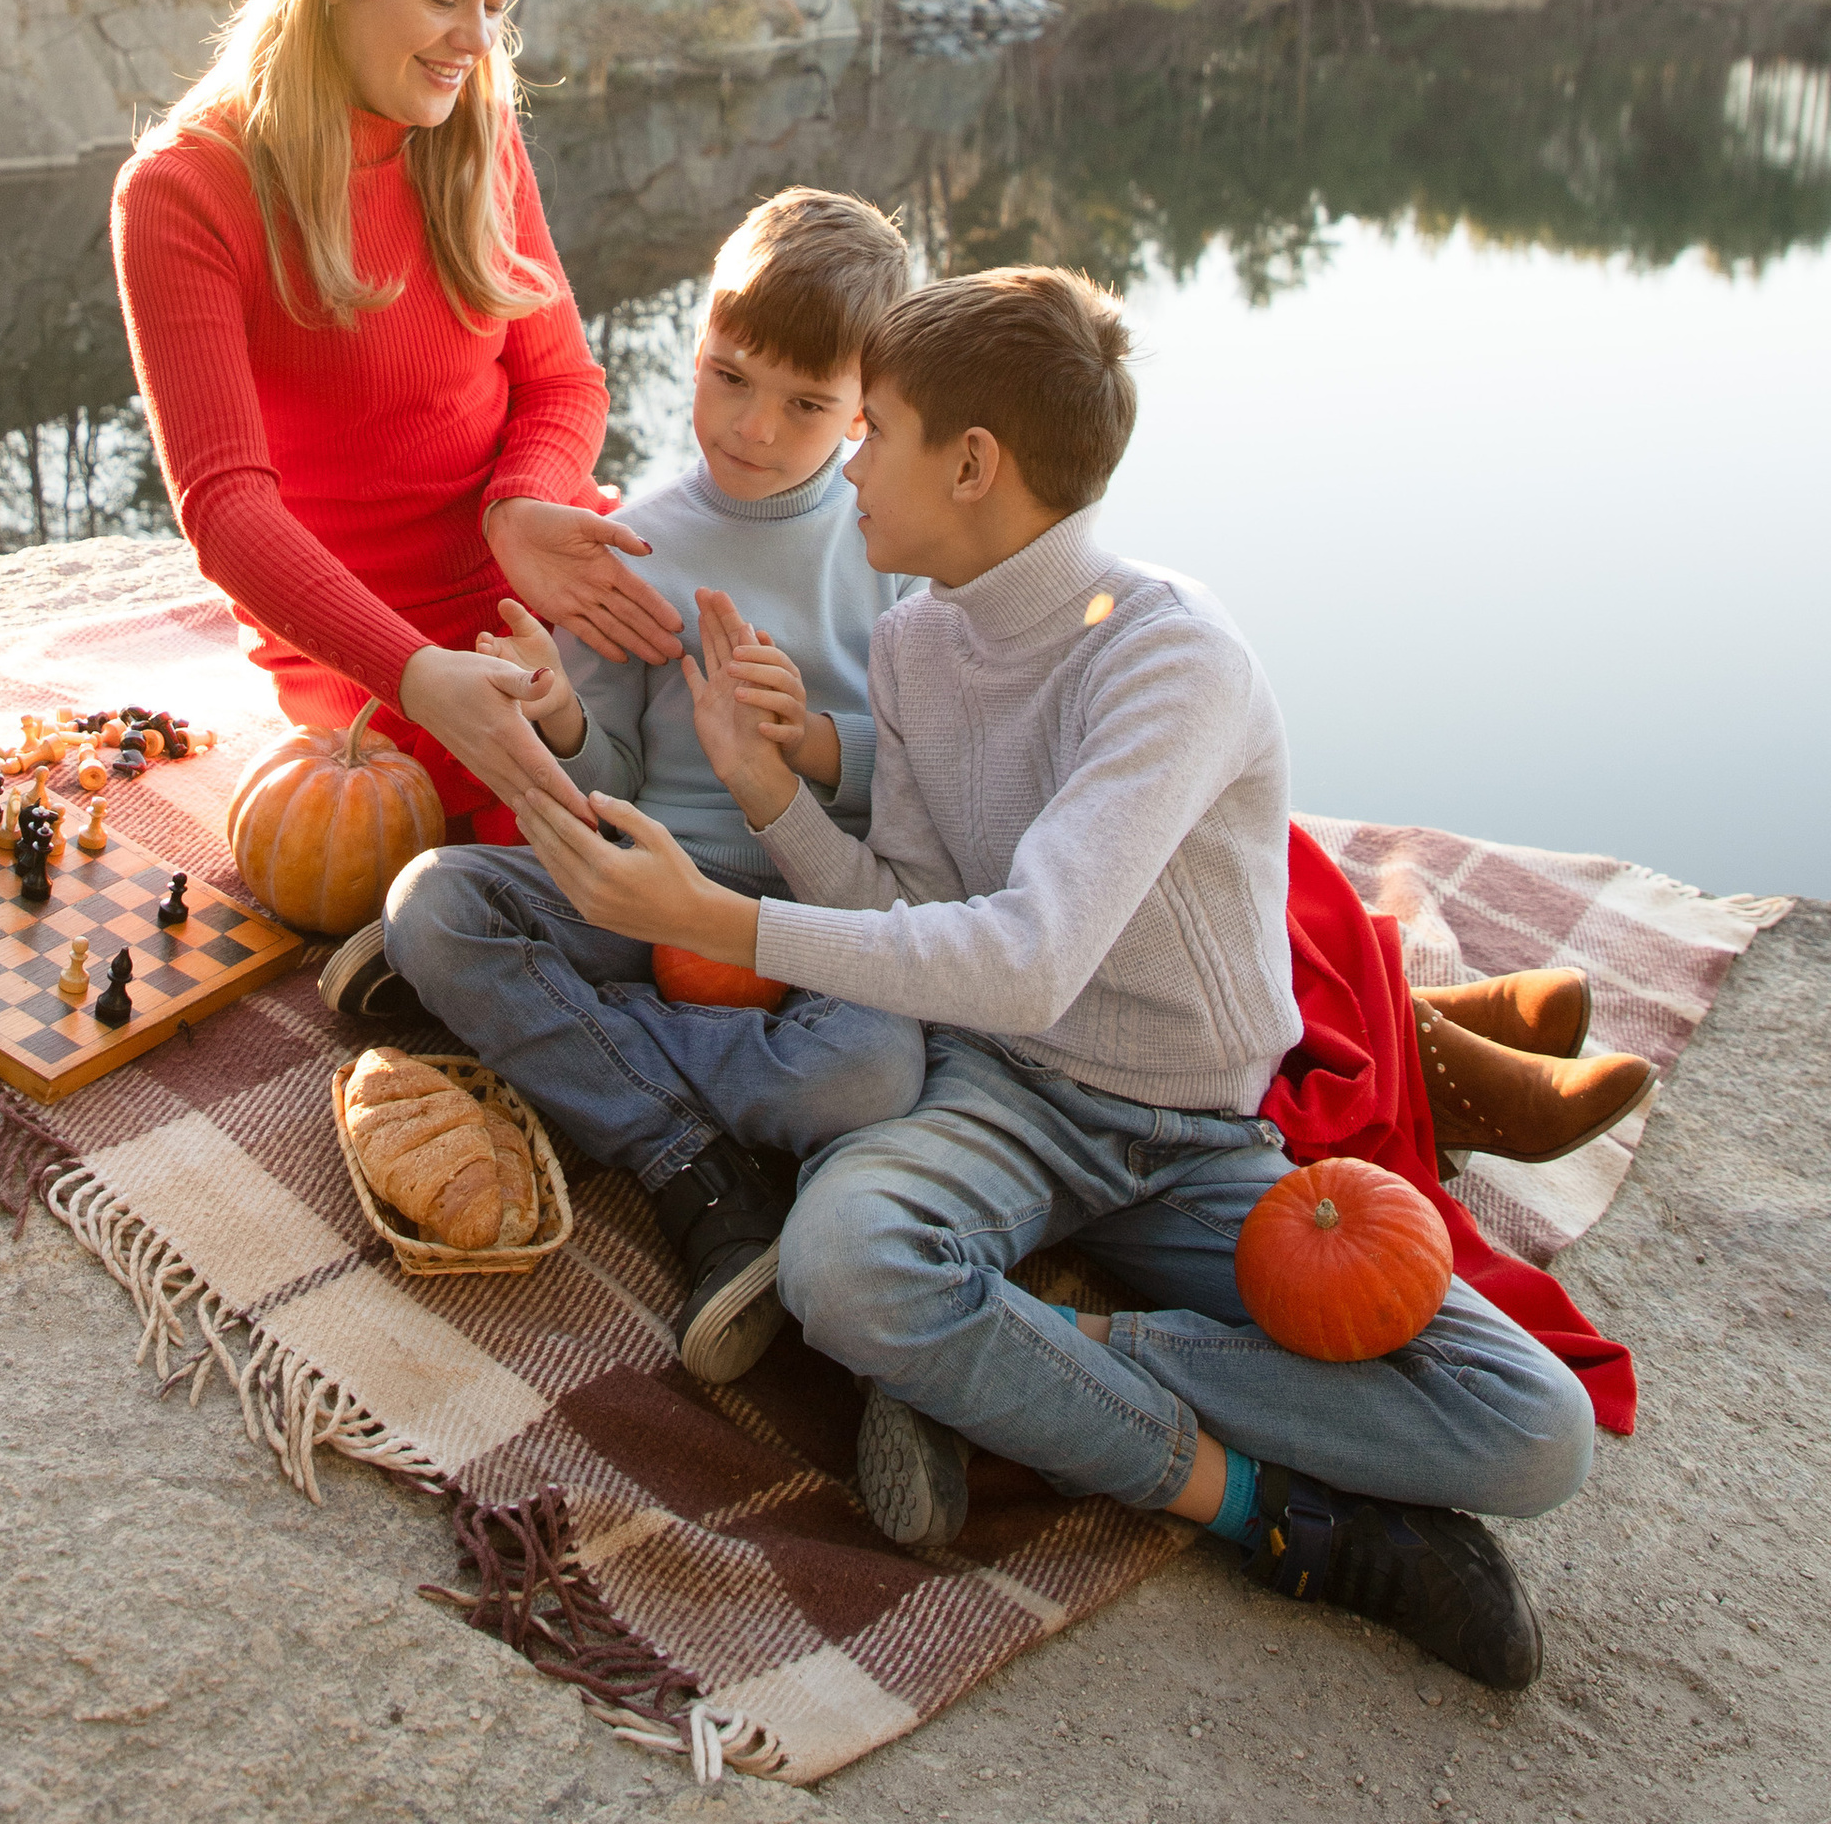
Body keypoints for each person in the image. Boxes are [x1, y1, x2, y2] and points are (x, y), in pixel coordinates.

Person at [508, 265, 1604, 1690]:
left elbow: (1024, 957)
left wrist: (723, 918)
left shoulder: (1172, 657)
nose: (847, 454)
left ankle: (1023, 1356)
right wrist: (768, 795)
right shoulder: (912, 645)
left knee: (1529, 1426)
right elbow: (912, 905)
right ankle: (1280, 1519)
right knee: (846, 1263)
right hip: (1000, 1100)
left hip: (1196, 1137)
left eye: (876, 426)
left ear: (973, 465)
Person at [356, 189, 933, 1382]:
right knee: (433, 901)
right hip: (646, 890)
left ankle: (576, 1064)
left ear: (867, 410)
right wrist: (562, 714)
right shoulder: (636, 544)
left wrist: (816, 742)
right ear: (698, 346)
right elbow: (608, 779)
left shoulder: (892, 553)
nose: (755, 426)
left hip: (811, 916)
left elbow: (930, 781)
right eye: (729, 377)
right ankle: (685, 1146)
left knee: (870, 1073)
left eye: (806, 403)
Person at [114, 0, 680, 832]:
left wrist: (521, 505)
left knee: (752, 731)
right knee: (569, 845)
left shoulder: (476, 132)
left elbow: (562, 379)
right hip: (368, 643)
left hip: (530, 577)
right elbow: (226, 510)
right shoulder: (185, 190)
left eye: (499, 1)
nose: (475, 39)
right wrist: (418, 677)